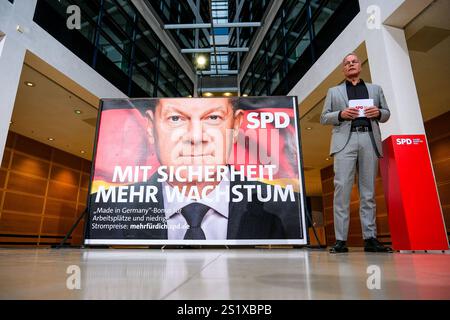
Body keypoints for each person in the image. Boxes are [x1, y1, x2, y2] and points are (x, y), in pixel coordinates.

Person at [88, 97, 303, 241]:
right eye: (175, 118)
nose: (196, 137)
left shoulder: (285, 208)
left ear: (236, 126)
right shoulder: (106, 207)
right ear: (150, 128)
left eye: (213, 118)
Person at [320, 53, 393, 253]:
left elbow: (386, 113)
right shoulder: (334, 92)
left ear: (360, 66)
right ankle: (341, 241)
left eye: (354, 62)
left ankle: (370, 238)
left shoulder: (375, 89)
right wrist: (341, 114)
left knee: (368, 192)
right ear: (343, 70)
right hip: (345, 141)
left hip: (369, 139)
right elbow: (324, 117)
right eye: (347, 63)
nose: (351, 65)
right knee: (341, 191)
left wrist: (377, 112)